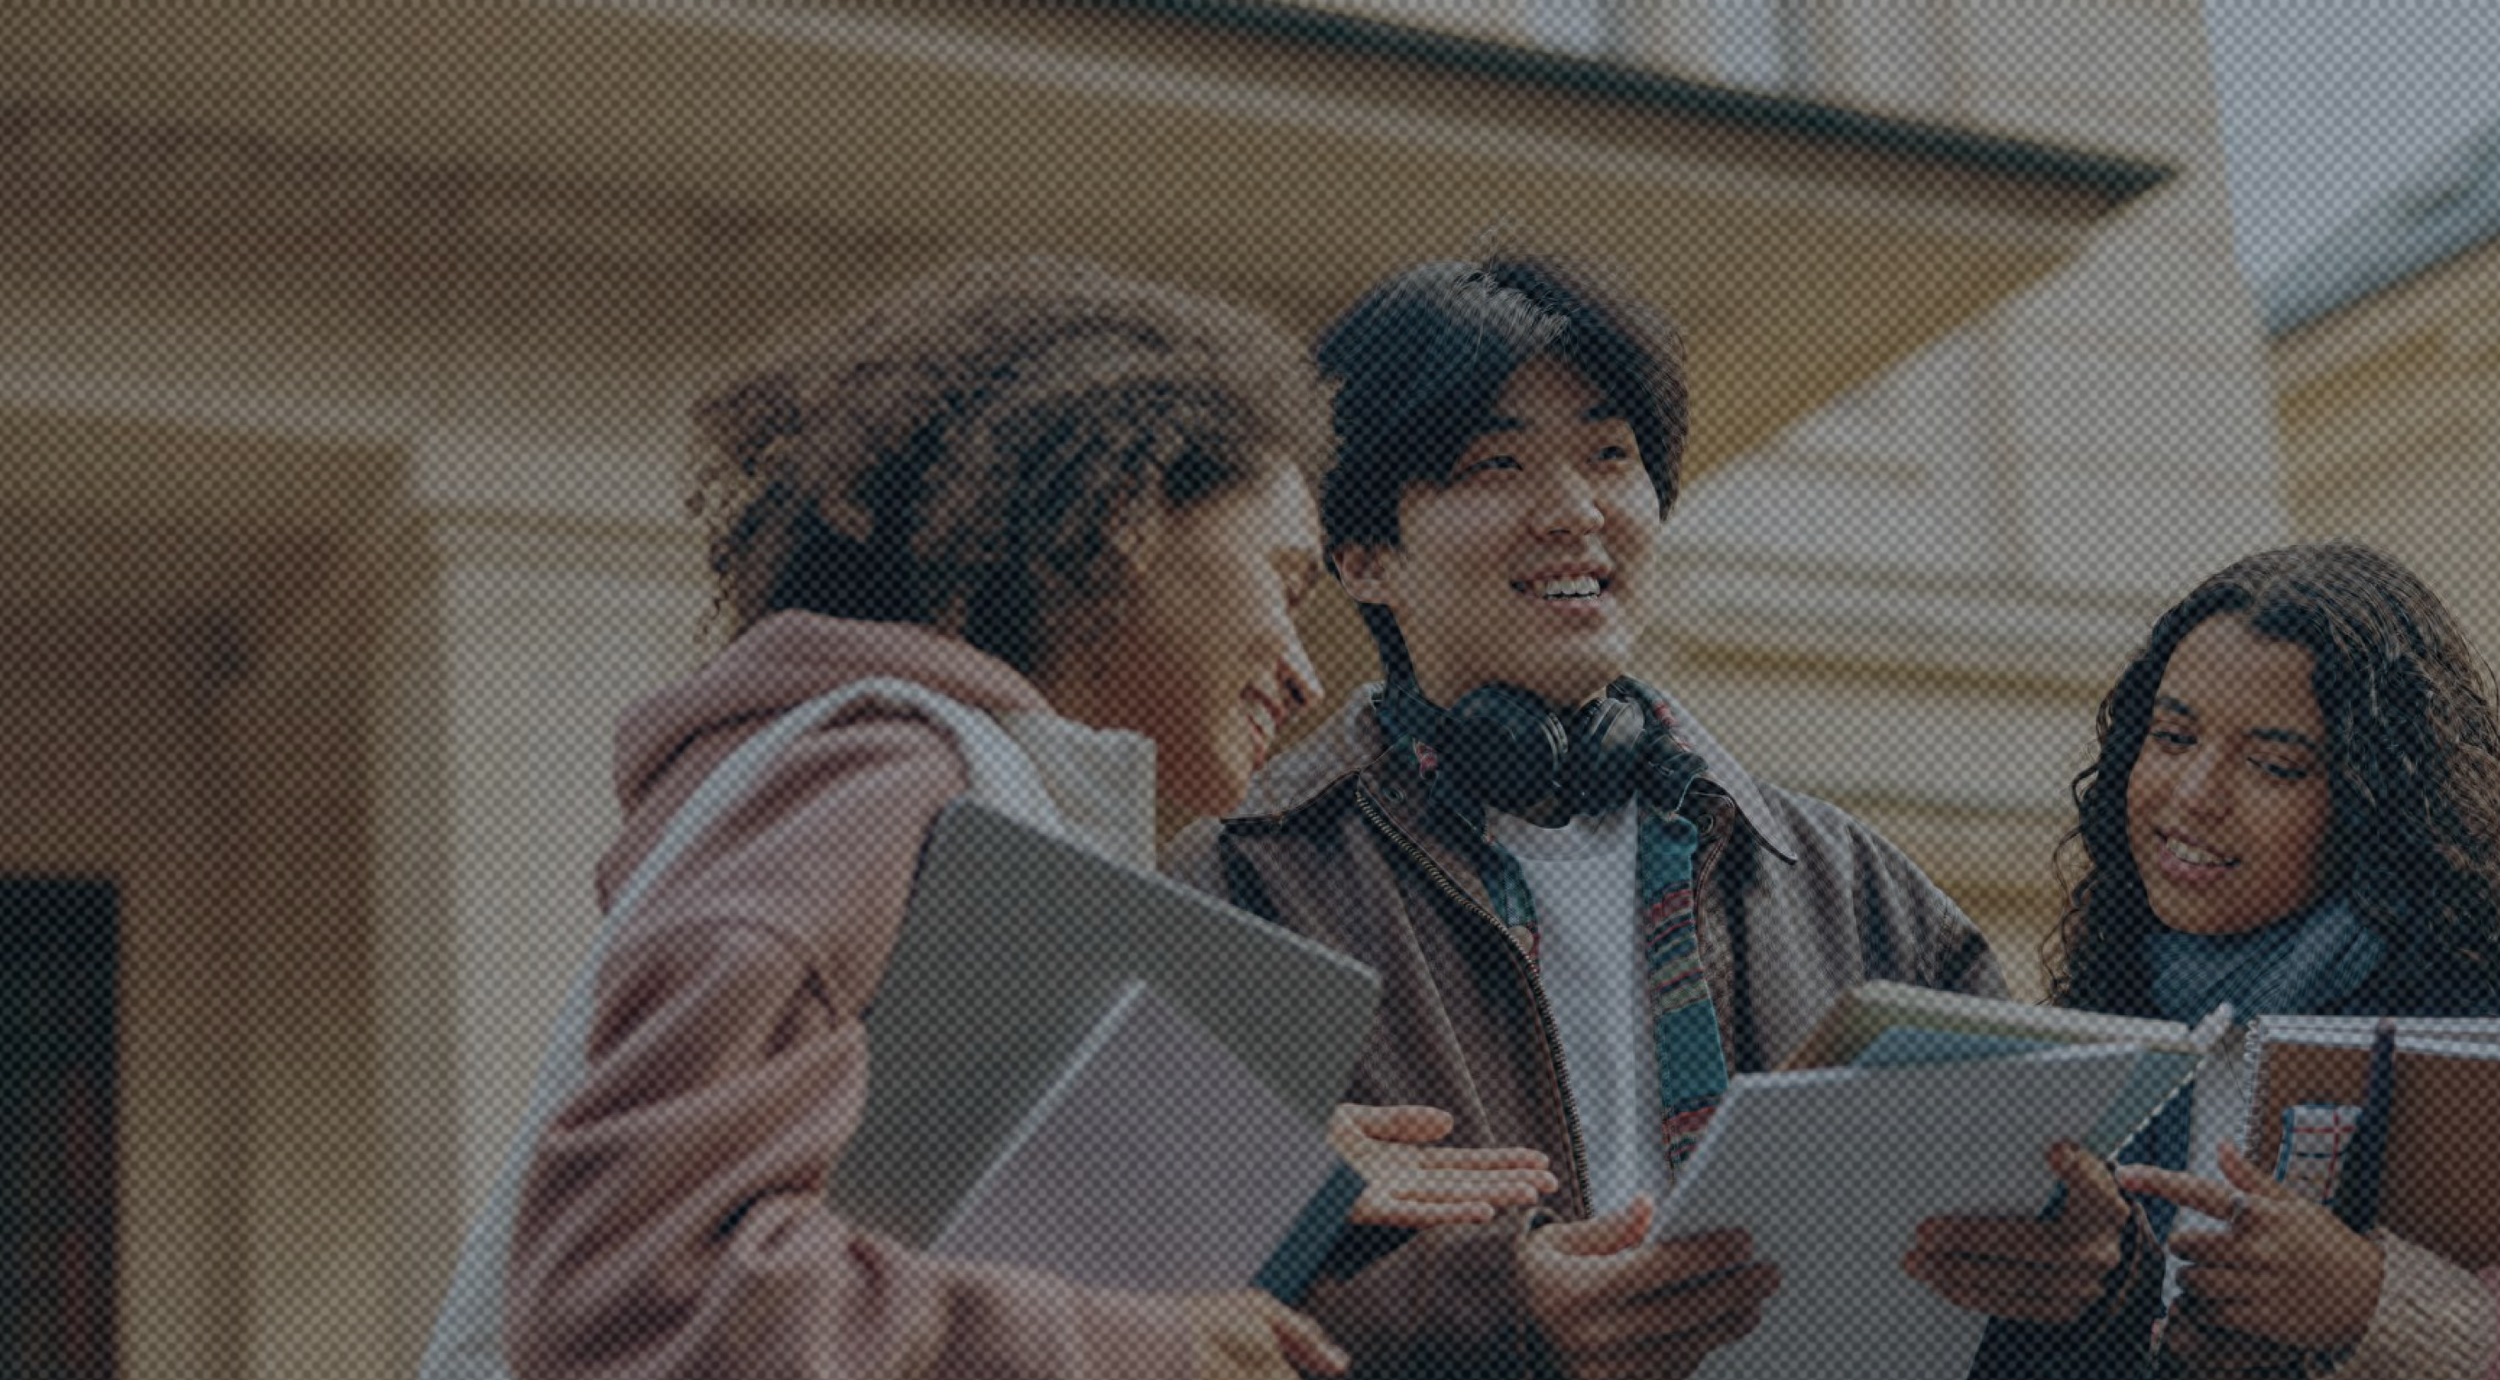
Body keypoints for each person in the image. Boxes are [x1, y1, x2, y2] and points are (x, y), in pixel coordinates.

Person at [416, 255, 1550, 1380]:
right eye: (1287, 582)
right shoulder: (881, 777)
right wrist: (1142, 1350)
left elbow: (866, 1216)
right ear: (1123, 520)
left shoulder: (948, 803)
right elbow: (643, 1292)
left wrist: (1198, 1178)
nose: (1306, 678)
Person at [1166, 253, 2158, 1379]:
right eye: (1496, 464)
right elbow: (1139, 1320)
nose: (1575, 511)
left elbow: (2057, 1303)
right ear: (1364, 558)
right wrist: (1501, 1325)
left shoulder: (1857, 887)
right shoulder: (1235, 891)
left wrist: (2098, 1277)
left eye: (1610, 456)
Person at [2031, 542, 2500, 1379]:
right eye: (2172, 736)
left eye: (2274, 765)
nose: (2196, 793)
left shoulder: (2478, 1036)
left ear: (2377, 801)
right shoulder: (2084, 1036)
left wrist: (2367, 1301)